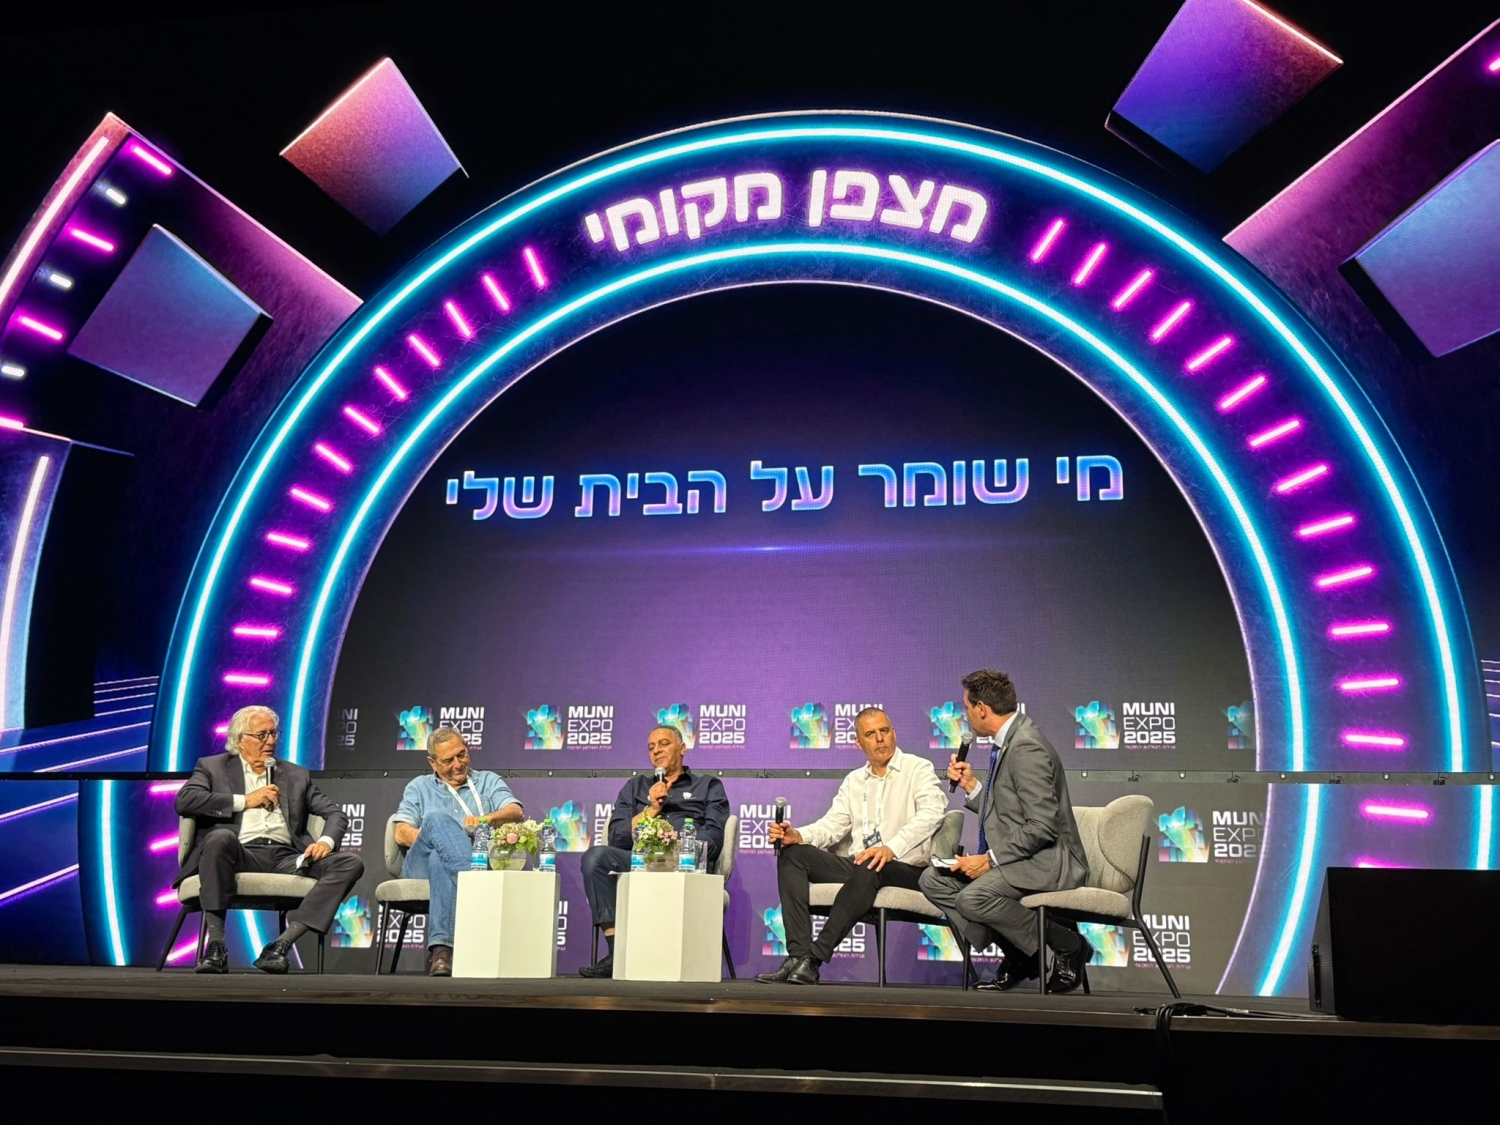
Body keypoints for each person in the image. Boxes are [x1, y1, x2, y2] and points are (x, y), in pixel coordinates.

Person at [918, 669, 1092, 992]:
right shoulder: (1009, 741)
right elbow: (1009, 812)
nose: (966, 716)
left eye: (967, 708)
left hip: (1047, 862)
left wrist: (989, 860)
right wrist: (971, 785)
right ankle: (1020, 952)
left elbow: (1042, 826)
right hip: (1021, 858)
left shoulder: (1026, 747)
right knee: (933, 879)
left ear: (982, 709)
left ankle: (1069, 944)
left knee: (973, 898)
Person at [757, 707, 945, 985]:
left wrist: (891, 848)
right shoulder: (854, 781)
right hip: (862, 868)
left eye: (884, 731)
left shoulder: (918, 768)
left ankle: (815, 958)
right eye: (870, 734)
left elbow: (932, 813)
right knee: (794, 855)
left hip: (907, 869)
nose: (879, 739)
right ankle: (798, 956)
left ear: (894, 733)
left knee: (872, 861)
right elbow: (832, 825)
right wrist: (797, 835)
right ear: (858, 742)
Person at [174, 704, 364, 974]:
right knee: (219, 838)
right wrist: (245, 801)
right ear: (240, 739)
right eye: (261, 735)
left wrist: (325, 842)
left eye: (274, 734)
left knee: (350, 863)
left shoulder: (296, 775)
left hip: (287, 858)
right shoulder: (212, 767)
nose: (271, 741)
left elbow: (335, 814)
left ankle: (281, 945)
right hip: (238, 854)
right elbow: (185, 801)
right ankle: (216, 946)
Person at [577, 724, 730, 979]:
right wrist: (650, 810)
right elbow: (617, 836)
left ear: (682, 748)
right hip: (640, 861)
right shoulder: (635, 787)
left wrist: (679, 849)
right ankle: (617, 952)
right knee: (595, 858)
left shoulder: (708, 785)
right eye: (651, 747)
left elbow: (713, 834)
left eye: (664, 744)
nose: (656, 750)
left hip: (684, 863)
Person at [392, 726, 525, 976]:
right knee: (436, 820)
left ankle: (442, 951)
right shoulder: (419, 787)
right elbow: (401, 832)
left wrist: (486, 819)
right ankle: (476, 891)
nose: (458, 764)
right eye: (448, 760)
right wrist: (441, 834)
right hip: (419, 867)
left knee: (439, 860)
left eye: (461, 755)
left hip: (474, 859)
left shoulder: (487, 781)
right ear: (432, 763)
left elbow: (515, 811)